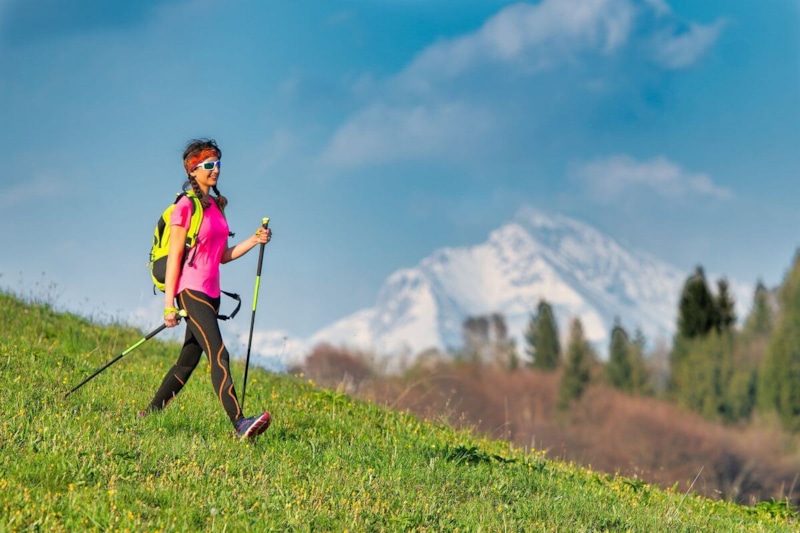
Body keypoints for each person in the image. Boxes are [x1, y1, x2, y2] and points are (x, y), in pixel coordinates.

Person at [140, 138, 272, 440]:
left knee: (187, 362)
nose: (216, 170)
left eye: (218, 164)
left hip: (212, 294)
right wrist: (169, 304)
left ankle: (149, 414)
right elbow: (175, 258)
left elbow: (222, 256)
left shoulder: (217, 207)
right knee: (219, 353)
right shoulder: (185, 206)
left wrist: (254, 240)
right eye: (209, 165)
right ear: (193, 170)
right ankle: (239, 423)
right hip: (191, 290)